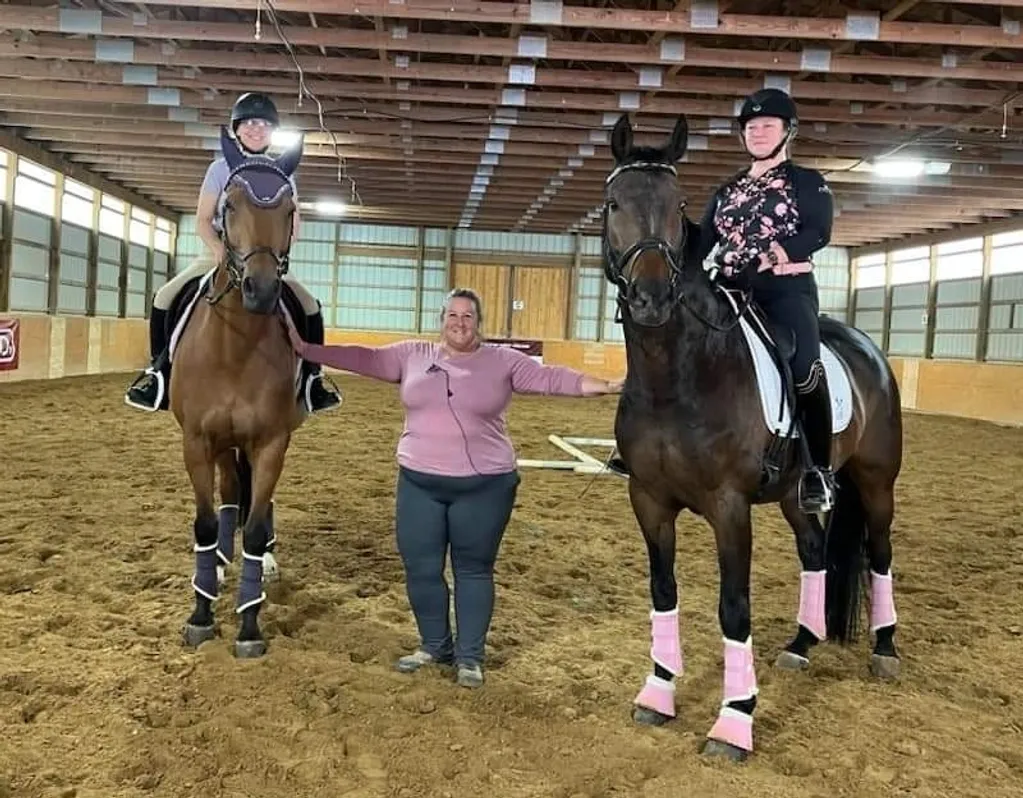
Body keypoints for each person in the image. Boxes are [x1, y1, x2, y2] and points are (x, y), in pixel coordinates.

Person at [283, 288, 623, 688]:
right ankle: (434, 646)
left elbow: (553, 378)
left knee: (473, 570)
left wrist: (606, 384)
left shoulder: (504, 361)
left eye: (468, 316)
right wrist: (307, 349)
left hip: (484, 486)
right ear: (441, 319)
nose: (460, 323)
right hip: (418, 483)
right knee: (422, 568)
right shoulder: (412, 355)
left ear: (479, 322)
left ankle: (470, 657)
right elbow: (365, 358)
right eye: (453, 315)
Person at [608, 87, 836, 514]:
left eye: (767, 125)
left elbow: (818, 232)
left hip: (784, 292)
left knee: (805, 366)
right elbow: (701, 240)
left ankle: (817, 471)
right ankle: (645, 446)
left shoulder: (807, 183)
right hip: (727, 289)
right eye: (751, 127)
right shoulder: (728, 189)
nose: (759, 132)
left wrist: (777, 253)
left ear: (788, 132)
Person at [123, 91, 341, 415]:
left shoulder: (283, 174)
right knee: (164, 297)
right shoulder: (219, 169)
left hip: (265, 260)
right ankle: (159, 373)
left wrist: (275, 256)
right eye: (250, 123)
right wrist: (219, 253)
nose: (257, 129)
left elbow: (294, 225)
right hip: (220, 254)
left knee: (309, 305)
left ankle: (313, 380)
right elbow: (202, 219)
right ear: (237, 128)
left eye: (264, 124)